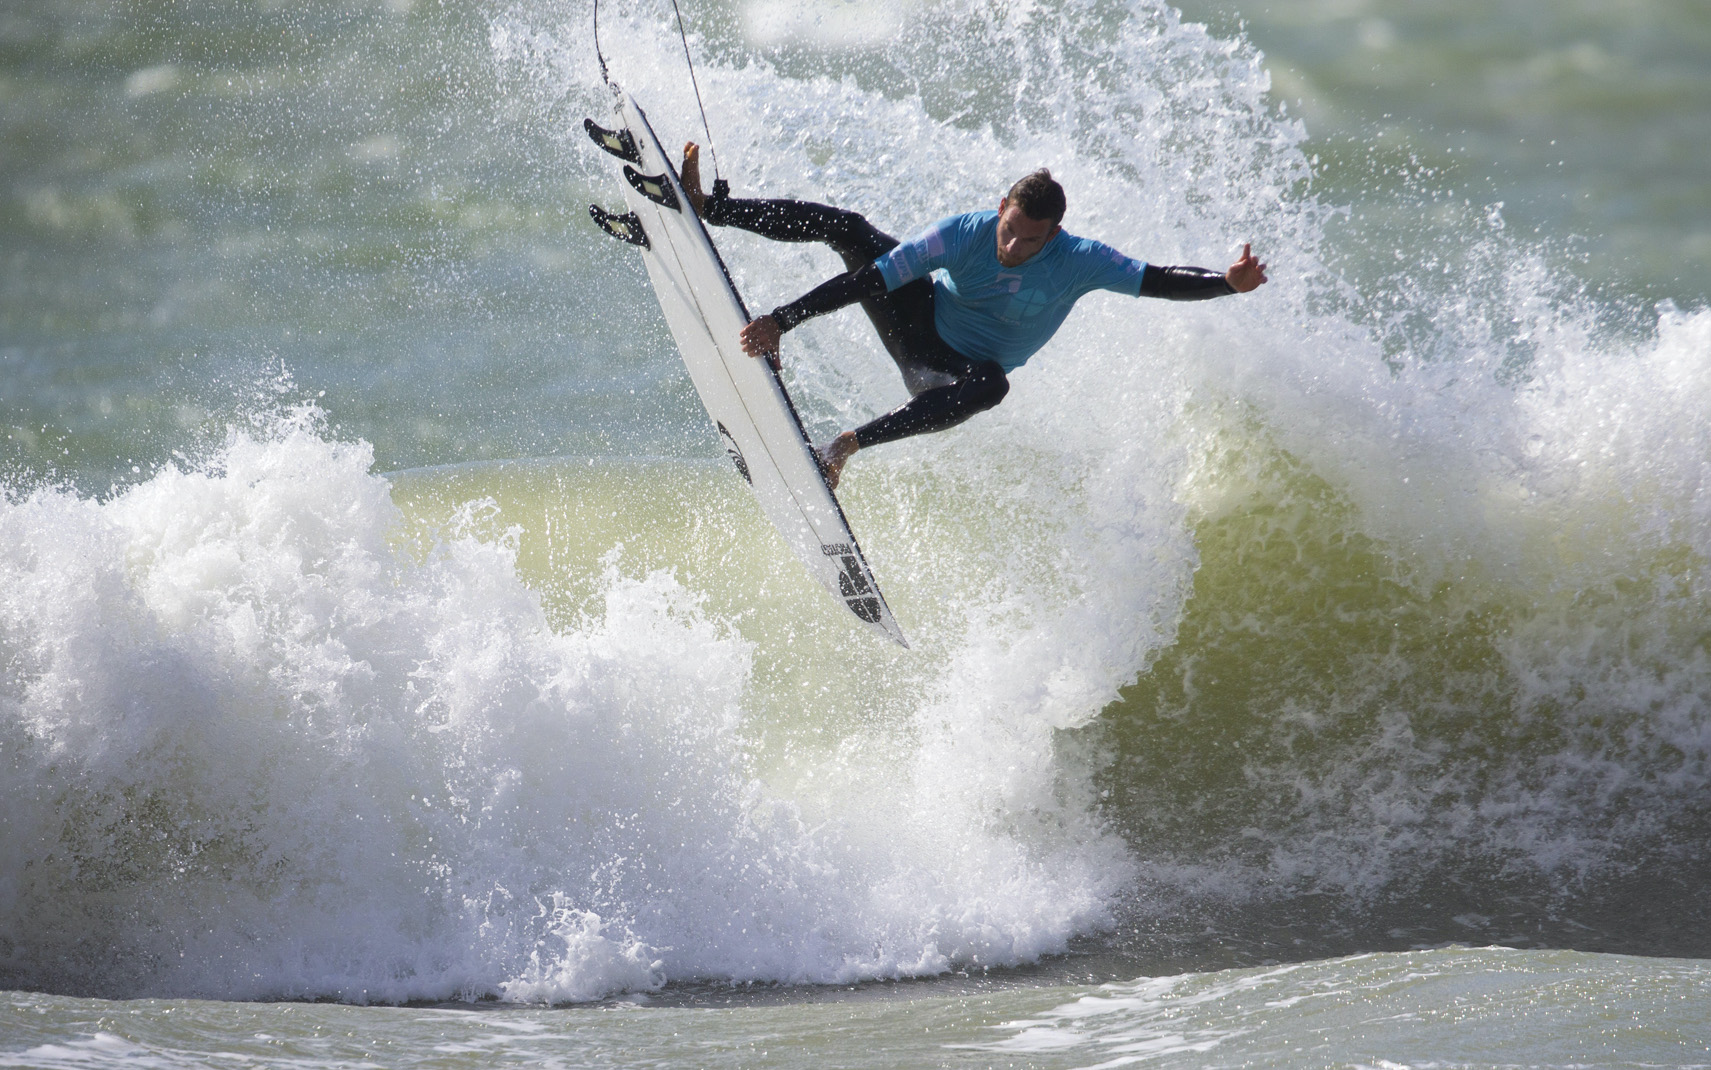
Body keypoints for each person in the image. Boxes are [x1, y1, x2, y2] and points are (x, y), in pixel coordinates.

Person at [679, 144, 1268, 488]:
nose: (1011, 248)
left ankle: (846, 446)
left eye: (1029, 241)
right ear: (1000, 208)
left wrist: (1225, 284)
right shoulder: (965, 232)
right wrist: (783, 319)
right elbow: (873, 279)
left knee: (994, 383)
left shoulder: (1080, 261)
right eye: (1008, 231)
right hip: (917, 324)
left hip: (951, 372)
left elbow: (1159, 279)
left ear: (1054, 234)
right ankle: (711, 207)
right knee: (852, 231)